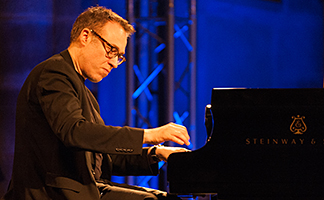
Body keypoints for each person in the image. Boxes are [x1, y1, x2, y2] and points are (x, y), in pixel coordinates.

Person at [1, 5, 190, 200]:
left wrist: (156, 153)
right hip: (52, 194)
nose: (114, 63)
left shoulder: (85, 93)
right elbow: (74, 131)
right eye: (111, 50)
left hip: (86, 190)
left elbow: (102, 157)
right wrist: (149, 134)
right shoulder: (54, 73)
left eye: (120, 57)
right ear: (85, 36)